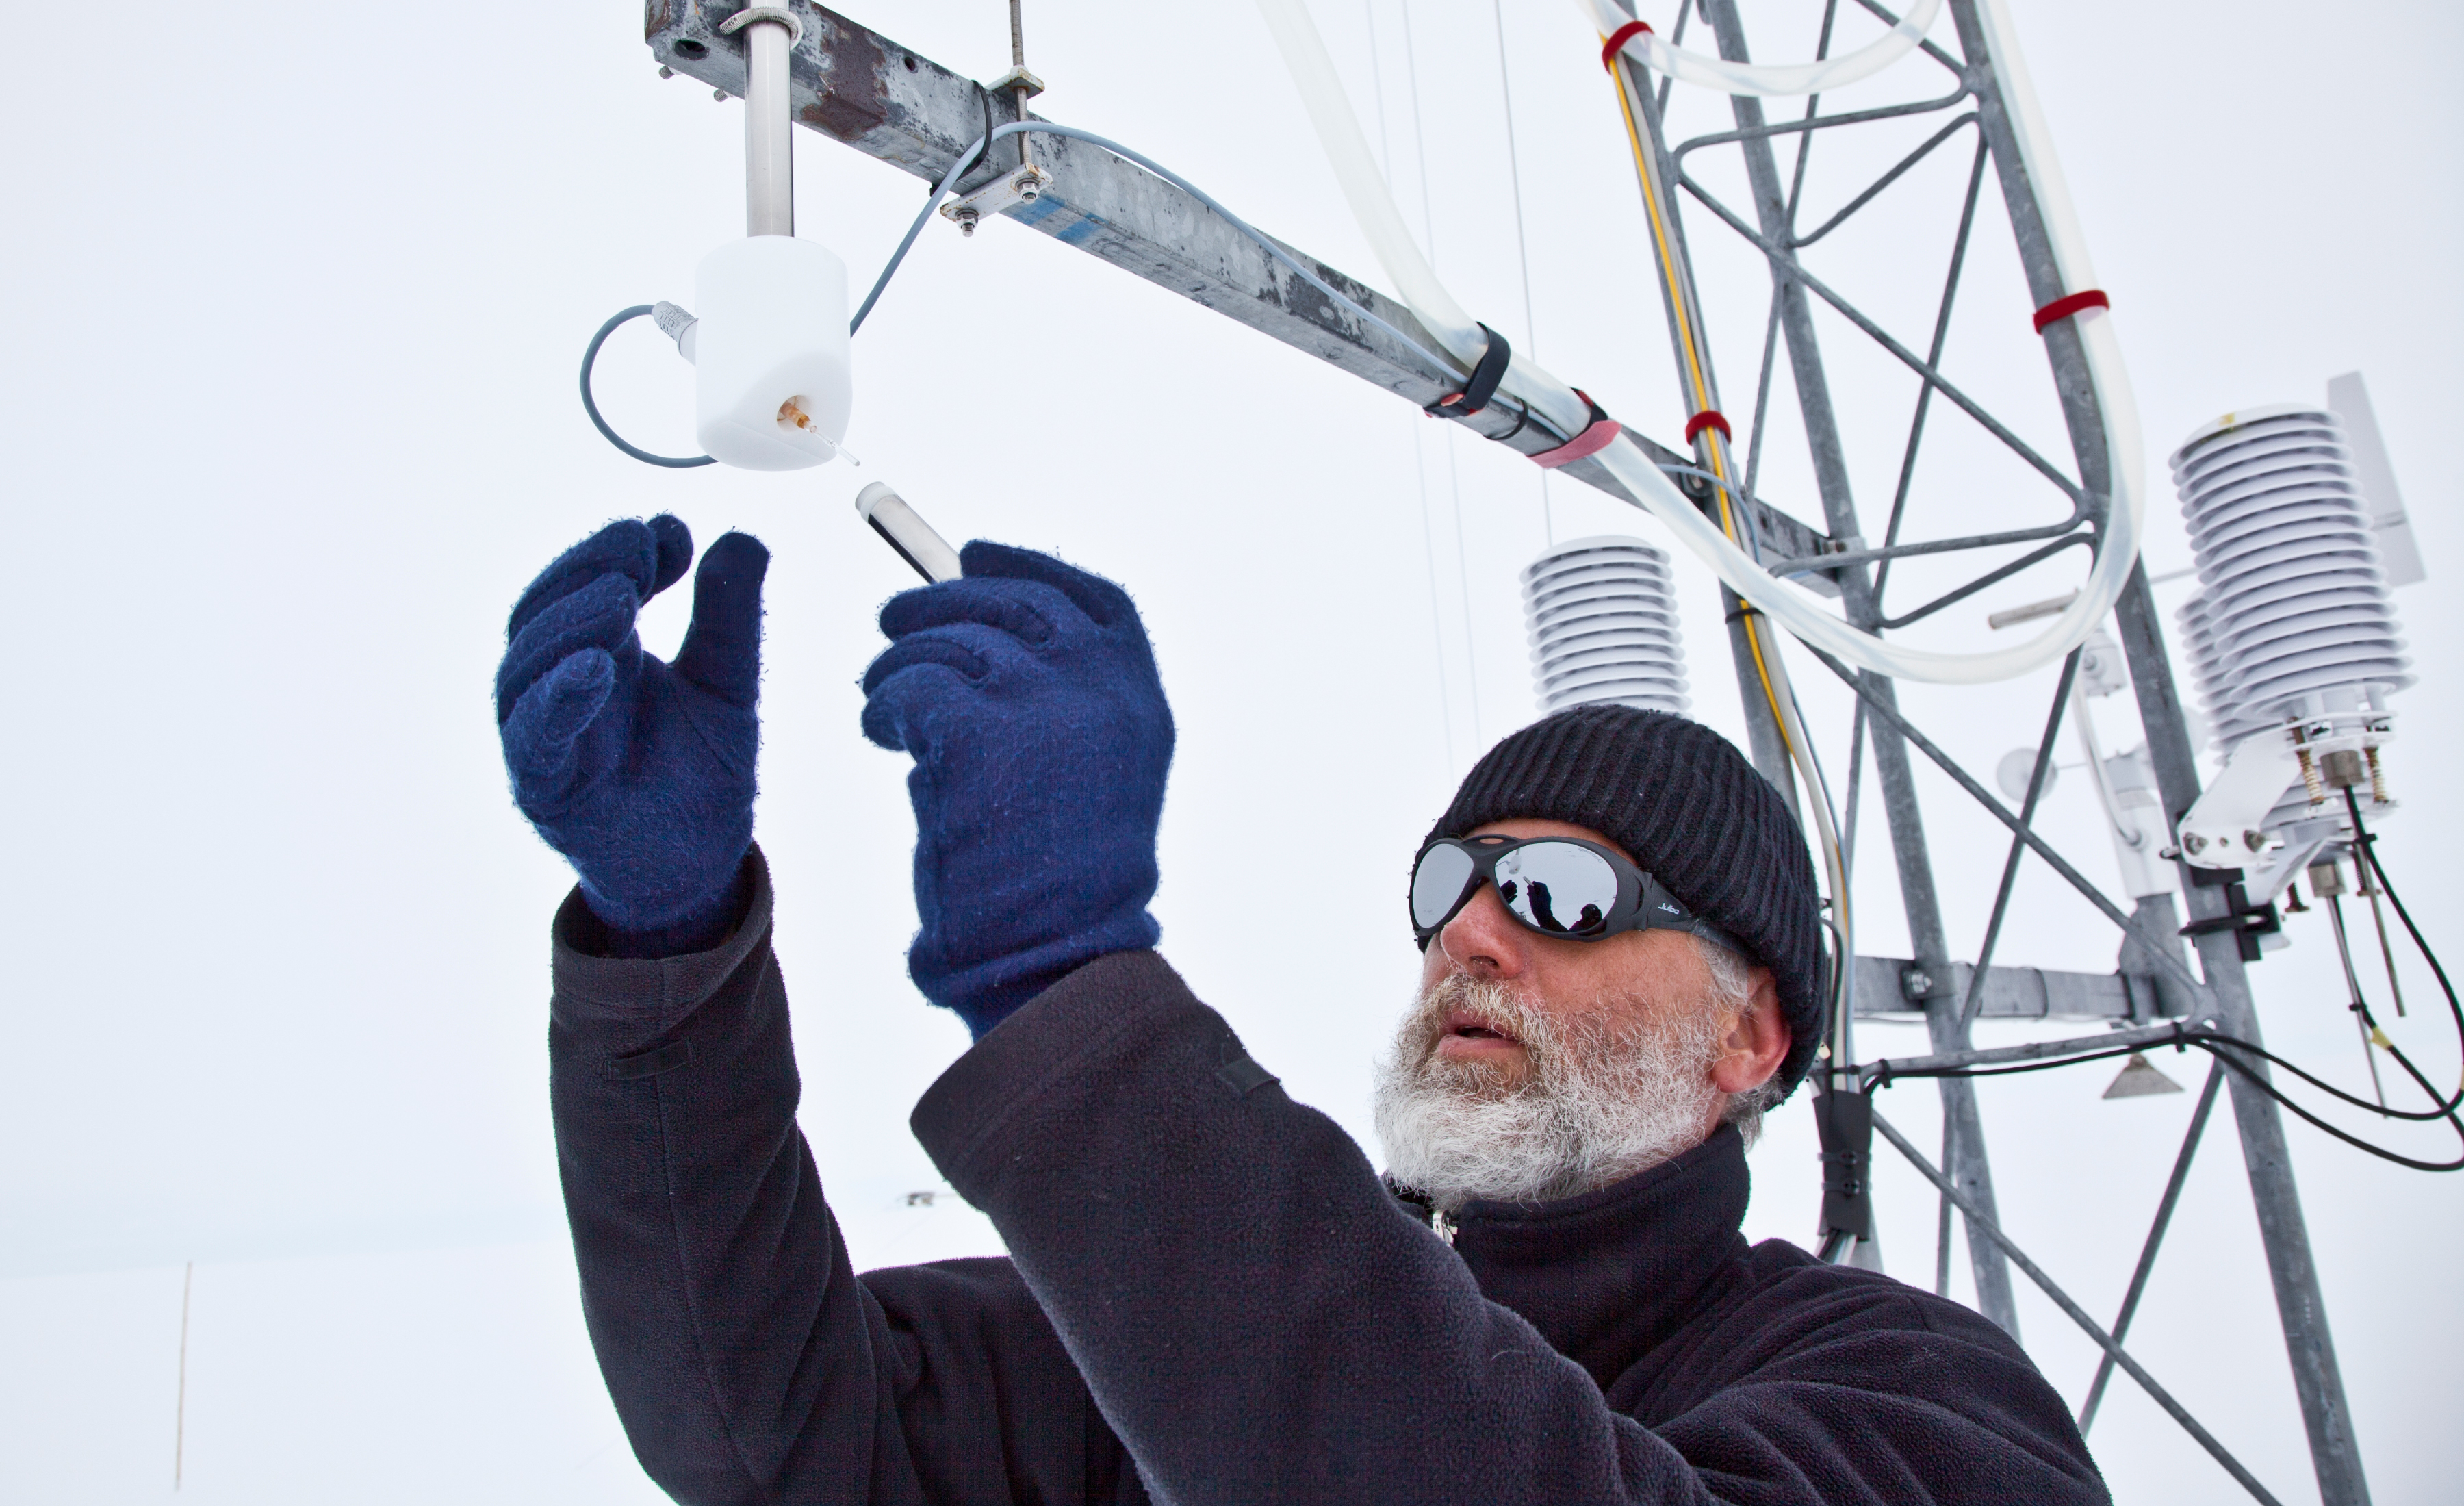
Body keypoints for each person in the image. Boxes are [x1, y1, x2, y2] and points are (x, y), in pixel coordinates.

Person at [498, 515, 2108, 1505]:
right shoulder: (1186, 1325)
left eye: (1557, 890)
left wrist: (1070, 997)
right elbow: (766, 1422)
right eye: (1448, 885)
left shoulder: (1911, 1389)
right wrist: (672, 957)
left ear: (1750, 1036)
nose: (1473, 929)